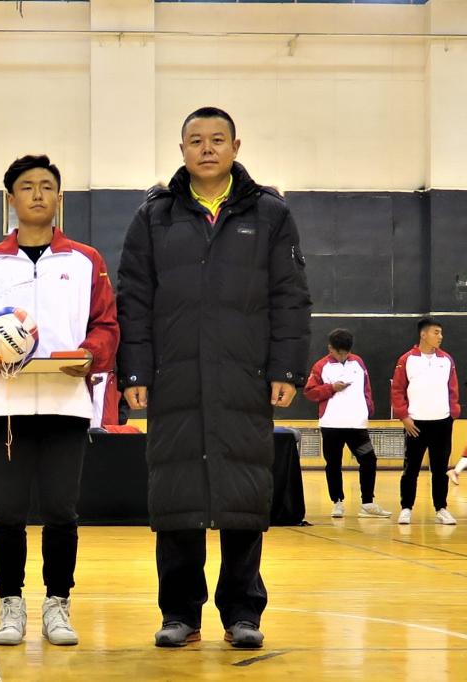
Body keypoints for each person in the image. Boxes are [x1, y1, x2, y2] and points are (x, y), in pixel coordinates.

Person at [117, 107, 311, 649]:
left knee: (243, 491)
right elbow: (133, 296)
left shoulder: (270, 213)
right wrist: (134, 369)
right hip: (173, 378)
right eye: (196, 140)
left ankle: (242, 612)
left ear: (235, 147)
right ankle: (179, 613)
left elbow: (290, 297)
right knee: (176, 491)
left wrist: (286, 368)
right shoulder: (154, 216)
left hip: (245, 376)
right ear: (181, 150)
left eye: (217, 139)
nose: (207, 148)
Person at [0, 155, 118, 647]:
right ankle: (10, 602)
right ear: (11, 199)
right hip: (5, 405)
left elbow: (106, 325)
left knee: (61, 510)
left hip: (67, 404)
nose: (38, 194)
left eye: (47, 186)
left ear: (59, 198)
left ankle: (57, 602)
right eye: (27, 186)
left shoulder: (85, 260)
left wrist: (90, 355)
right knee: (7, 511)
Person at [303, 328, 391, 518]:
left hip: (357, 426)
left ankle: (367, 503)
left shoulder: (358, 362)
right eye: (339, 353)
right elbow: (310, 392)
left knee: (369, 459)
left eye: (346, 353)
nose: (343, 356)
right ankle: (337, 502)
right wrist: (331, 388)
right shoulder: (321, 366)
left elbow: (366, 387)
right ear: (330, 348)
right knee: (333, 463)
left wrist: (368, 408)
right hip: (331, 426)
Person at [391, 317, 460, 525]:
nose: (440, 336)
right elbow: (397, 390)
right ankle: (406, 508)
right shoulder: (406, 360)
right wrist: (404, 416)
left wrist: (452, 413)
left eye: (441, 333)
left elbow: (453, 389)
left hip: (442, 423)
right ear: (423, 334)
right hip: (416, 425)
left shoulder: (446, 360)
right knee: (411, 469)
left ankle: (441, 508)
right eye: (436, 332)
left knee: (440, 469)